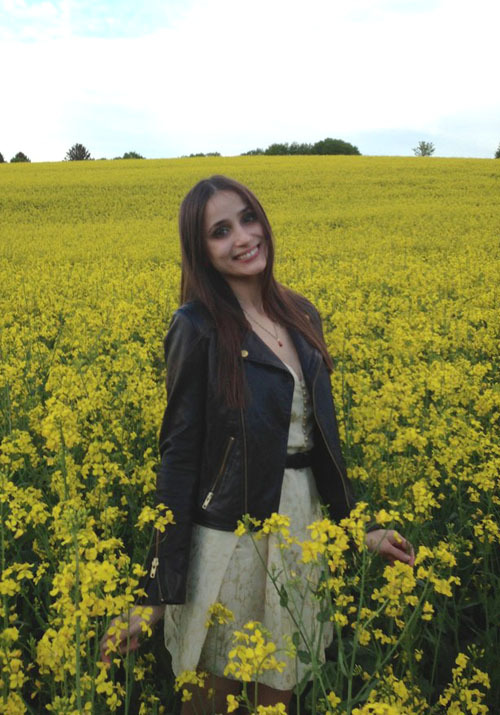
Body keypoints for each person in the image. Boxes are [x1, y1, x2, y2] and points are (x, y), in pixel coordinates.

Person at [99, 175, 414, 713]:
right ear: (200, 250)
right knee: (211, 700)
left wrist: (358, 527)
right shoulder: (196, 326)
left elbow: (321, 442)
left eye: (247, 218)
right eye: (220, 231)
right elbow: (178, 459)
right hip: (228, 540)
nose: (243, 237)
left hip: (301, 533)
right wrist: (156, 595)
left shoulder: (301, 313)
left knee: (278, 697)